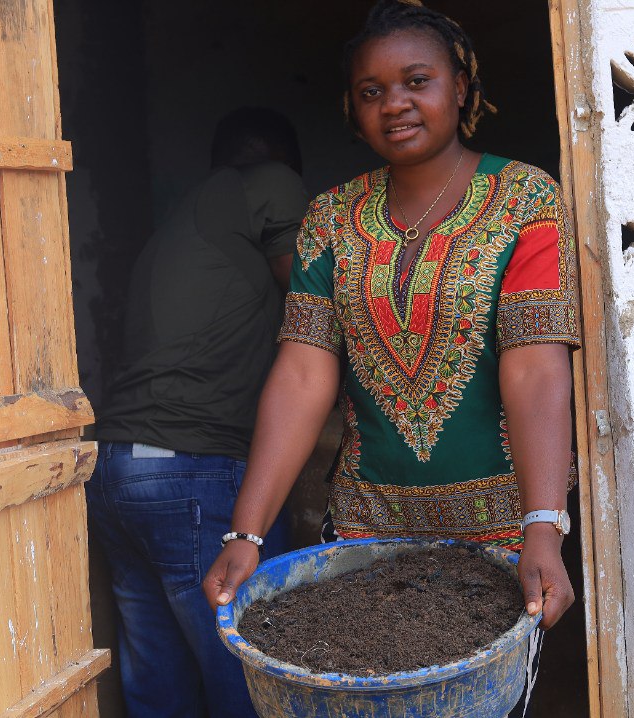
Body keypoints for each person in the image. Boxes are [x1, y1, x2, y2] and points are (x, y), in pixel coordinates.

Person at [203, 3, 580, 715]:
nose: (394, 105)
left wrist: (543, 528)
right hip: (367, 540)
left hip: (500, 540)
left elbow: (535, 366)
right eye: (372, 91)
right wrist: (246, 532)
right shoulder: (330, 218)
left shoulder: (524, 198)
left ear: (461, 85)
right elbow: (304, 371)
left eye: (417, 81)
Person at [88, 107, 308, 718]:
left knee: (160, 686)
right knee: (251, 677)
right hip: (196, 470)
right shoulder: (269, 182)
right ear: (278, 163)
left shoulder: (183, 222)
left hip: (118, 469)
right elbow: (318, 300)